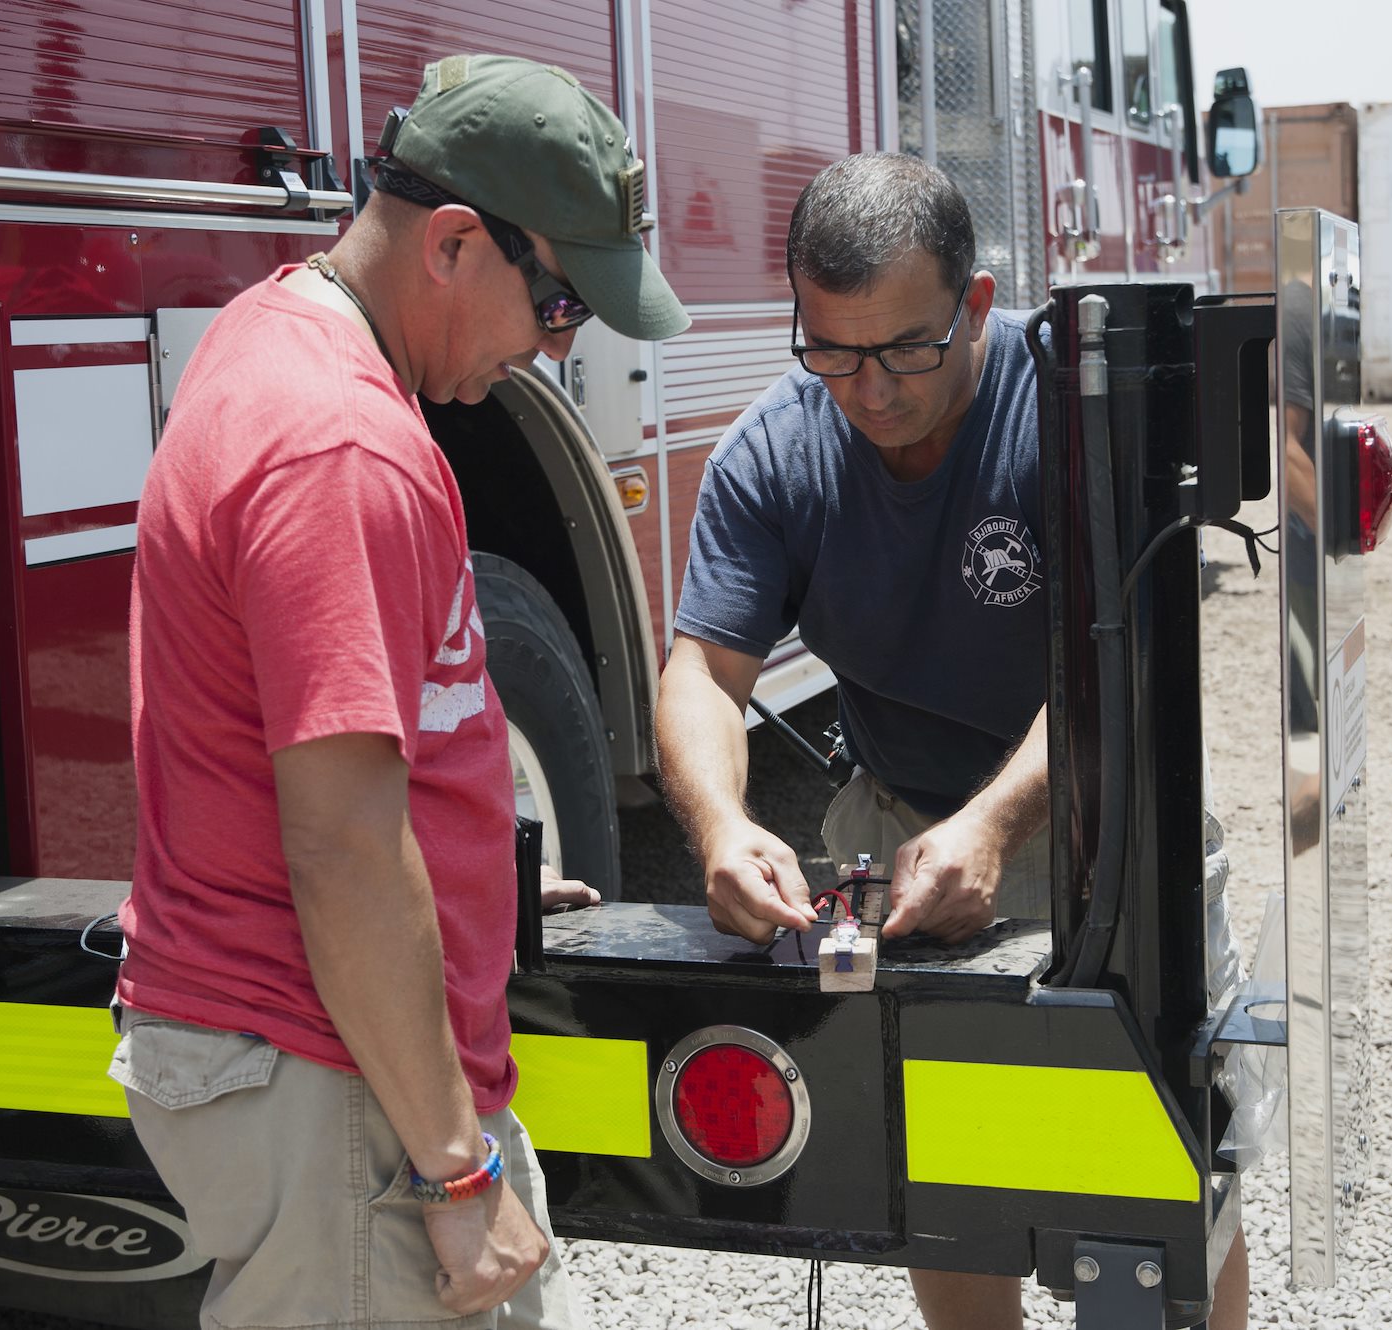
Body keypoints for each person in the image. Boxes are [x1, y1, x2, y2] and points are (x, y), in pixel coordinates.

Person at [108, 54, 688, 1330]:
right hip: (334, 1085)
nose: (551, 348)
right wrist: (457, 1165)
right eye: (556, 307)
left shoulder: (275, 331)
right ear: (454, 244)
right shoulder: (344, 448)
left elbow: (336, 769)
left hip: (314, 1066)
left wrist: (469, 876)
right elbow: (343, 847)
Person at [654, 152, 1247, 1330]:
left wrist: (989, 823)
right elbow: (701, 674)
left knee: (1155, 1172)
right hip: (901, 829)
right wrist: (720, 825)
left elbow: (1112, 661)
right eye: (830, 350)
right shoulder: (773, 454)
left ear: (976, 303)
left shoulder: (1072, 407)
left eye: (905, 350)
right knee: (941, 1165)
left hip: (1100, 818)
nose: (868, 390)